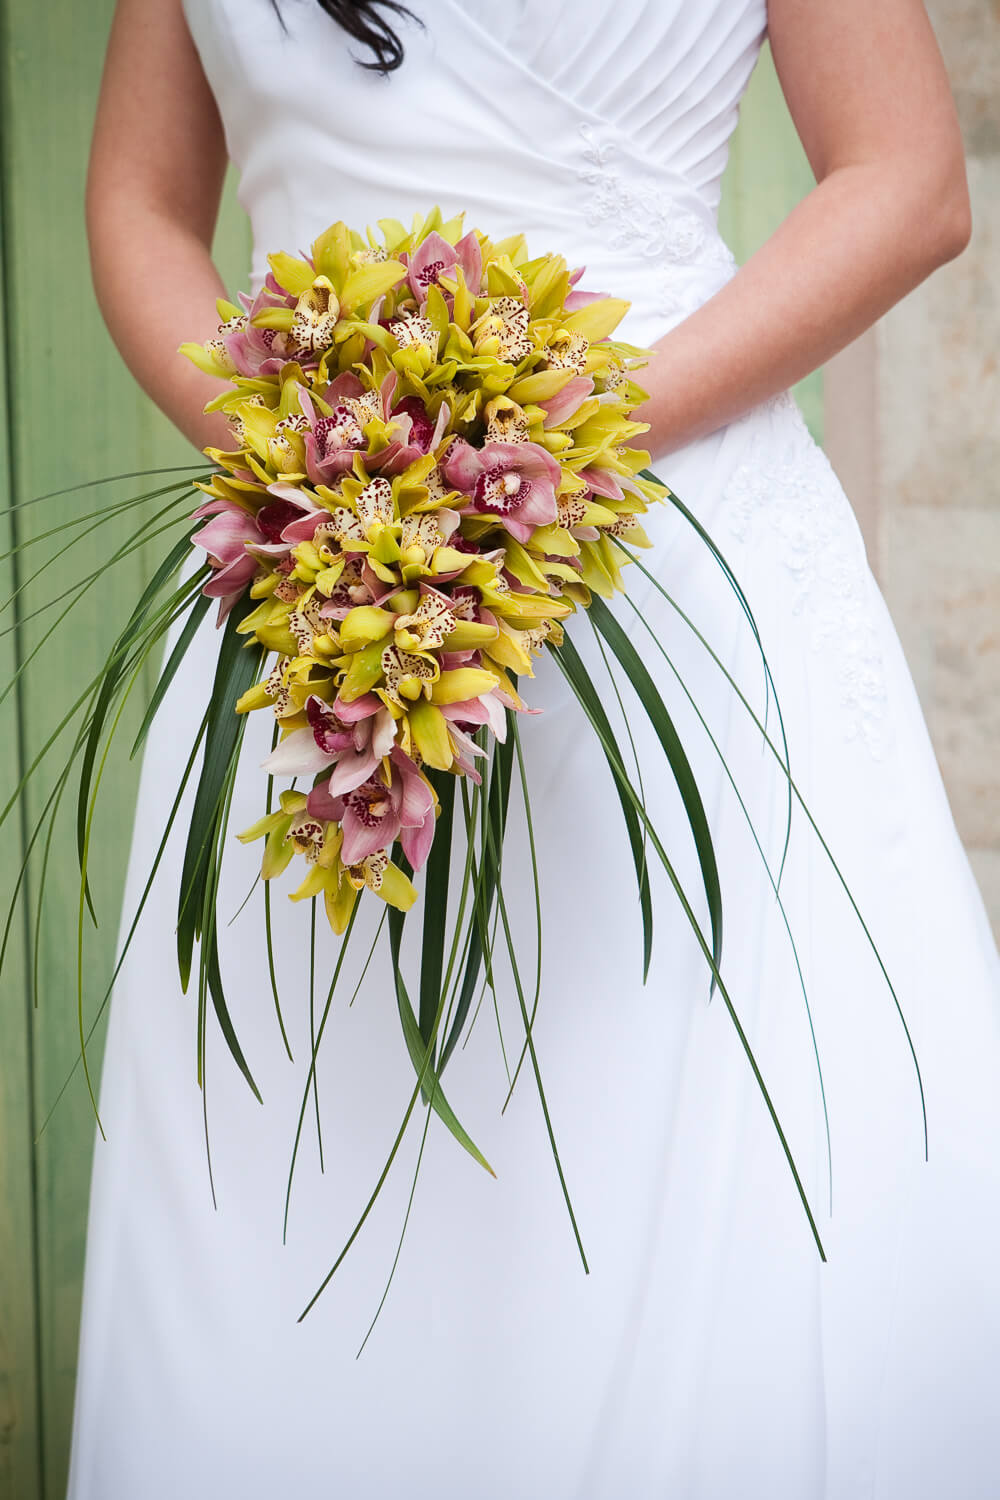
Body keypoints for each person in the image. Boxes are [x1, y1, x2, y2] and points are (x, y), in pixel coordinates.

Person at [67, 1, 1000, 1496]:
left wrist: (542, 461)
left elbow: (907, 178)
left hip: (664, 569)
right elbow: (140, 199)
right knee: (299, 1210)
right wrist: (313, 479)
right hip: (313, 609)